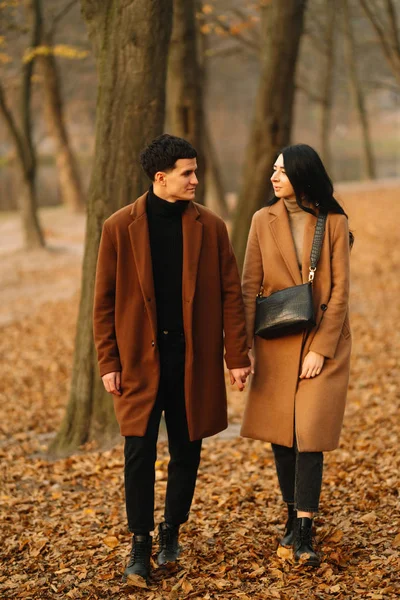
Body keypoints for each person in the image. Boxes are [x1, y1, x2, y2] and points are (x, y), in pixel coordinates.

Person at [93, 134, 251, 582]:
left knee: (188, 450)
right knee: (138, 453)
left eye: (196, 172)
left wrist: (236, 355)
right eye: (188, 173)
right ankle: (139, 542)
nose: (196, 180)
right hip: (139, 366)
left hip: (192, 361)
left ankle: (171, 531)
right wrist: (109, 362)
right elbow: (103, 302)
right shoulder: (118, 227)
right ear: (160, 178)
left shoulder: (212, 227)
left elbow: (229, 296)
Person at [241, 144, 352, 567]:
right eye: (273, 170)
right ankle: (291, 513)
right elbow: (250, 285)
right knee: (282, 435)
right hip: (274, 339)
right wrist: (244, 349)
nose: (274, 177)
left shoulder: (334, 222)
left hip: (324, 342)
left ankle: (304, 529)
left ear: (303, 176)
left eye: (282, 172)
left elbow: (340, 291)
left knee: (310, 435)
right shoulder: (260, 219)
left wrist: (322, 350)